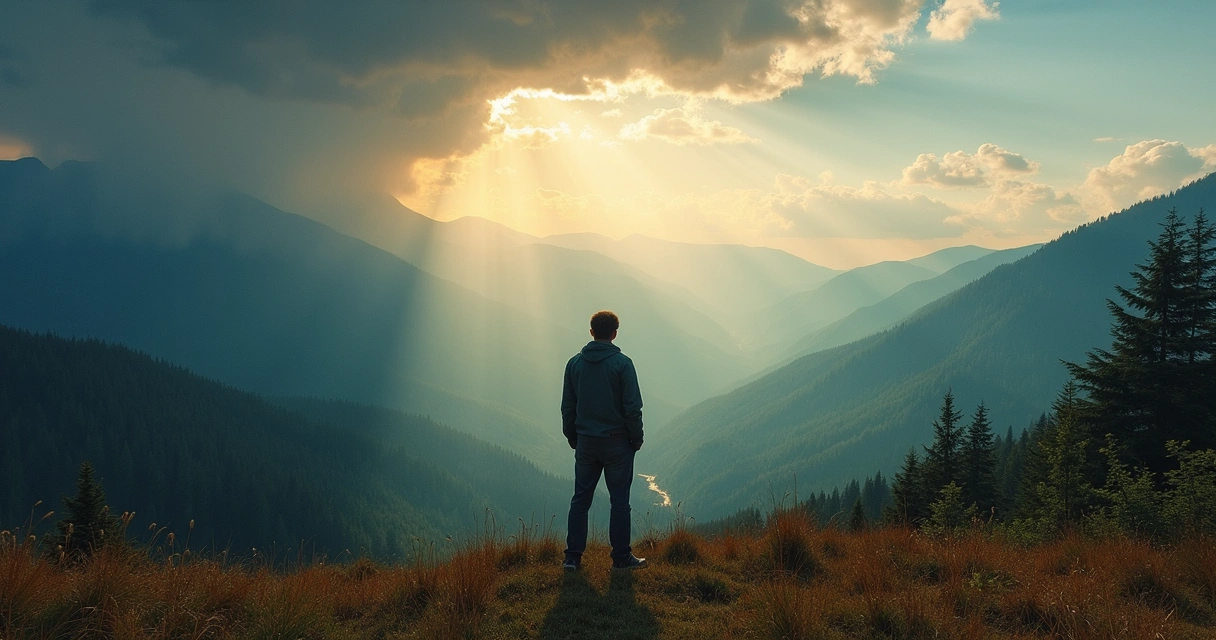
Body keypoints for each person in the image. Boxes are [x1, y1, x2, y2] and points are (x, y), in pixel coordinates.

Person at [561, 310, 647, 571]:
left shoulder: (574, 364)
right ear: (614, 333)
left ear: (591, 332)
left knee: (580, 499)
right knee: (619, 501)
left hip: (586, 441)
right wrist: (637, 438)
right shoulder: (623, 364)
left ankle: (572, 558)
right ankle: (621, 558)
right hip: (617, 443)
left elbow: (568, 406)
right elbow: (632, 407)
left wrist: (573, 437)